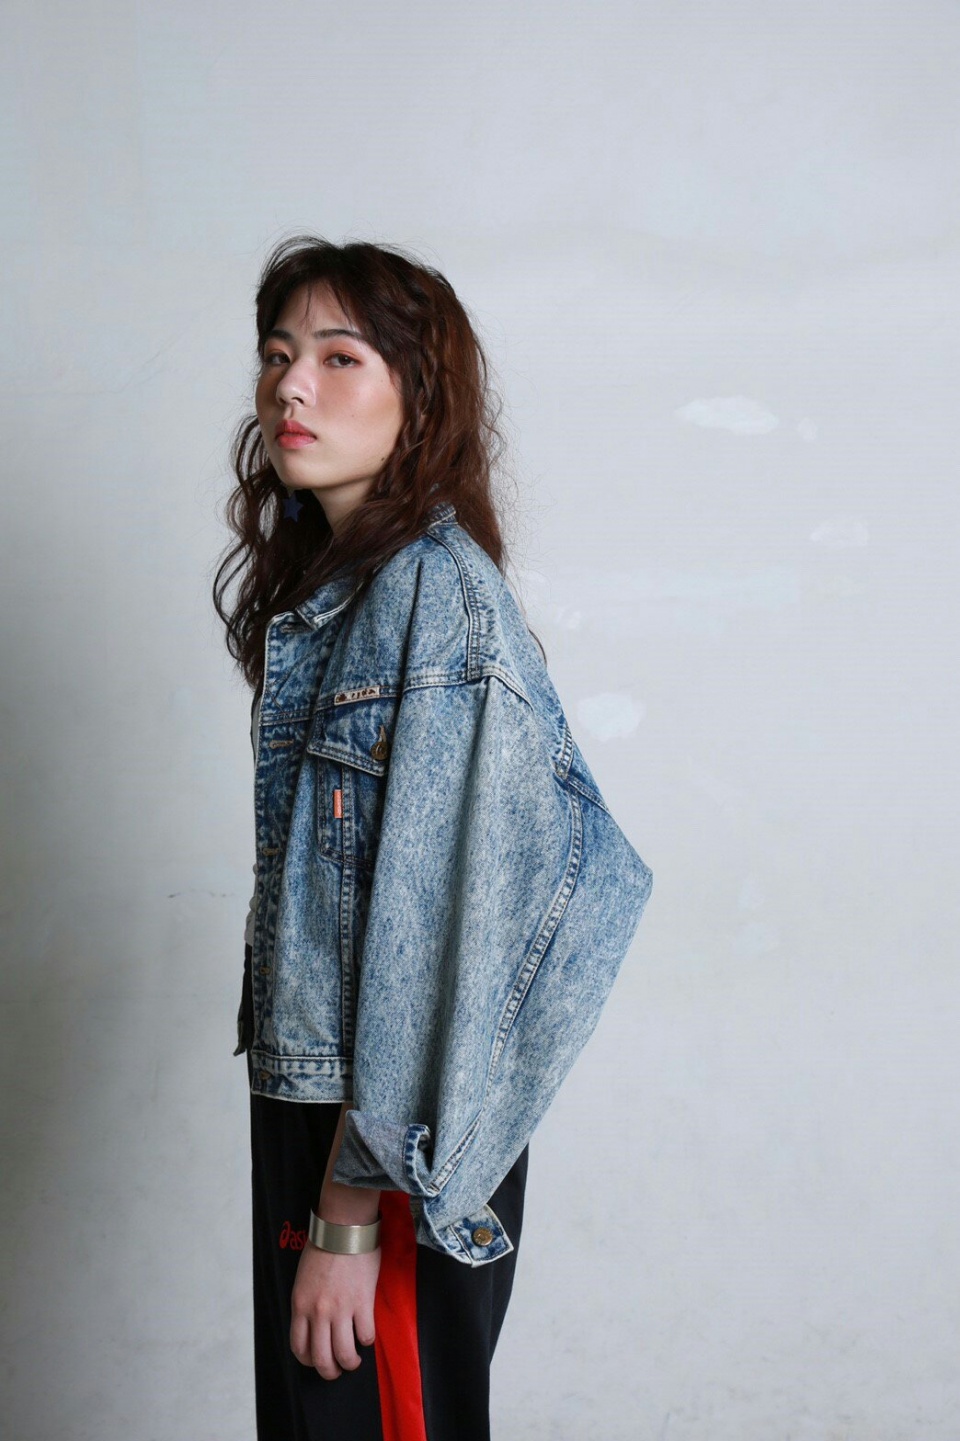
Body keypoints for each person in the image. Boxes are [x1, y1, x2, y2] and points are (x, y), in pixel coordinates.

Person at [213, 235, 654, 1440]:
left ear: (422, 397)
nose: (291, 386)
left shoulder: (432, 599)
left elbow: (437, 945)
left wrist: (350, 1217)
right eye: (278, 355)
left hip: (383, 1150)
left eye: (339, 357)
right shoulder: (345, 596)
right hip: (332, 1116)